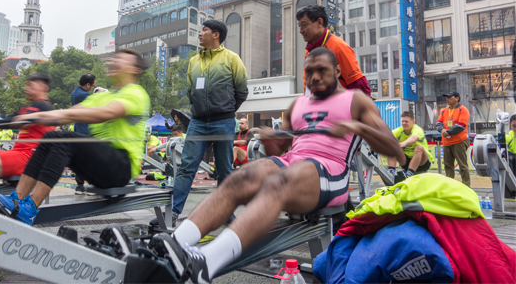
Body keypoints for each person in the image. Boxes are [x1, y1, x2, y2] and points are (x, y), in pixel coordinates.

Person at [123, 48, 405, 283]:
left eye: (322, 71)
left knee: (278, 182)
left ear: (338, 71)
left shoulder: (355, 100)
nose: (315, 77)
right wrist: (272, 138)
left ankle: (206, 263)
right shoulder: (298, 104)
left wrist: (357, 127)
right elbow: (278, 150)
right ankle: (176, 243)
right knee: (239, 179)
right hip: (294, 165)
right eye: (309, 72)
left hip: (331, 172)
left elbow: (395, 150)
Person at [0, 49, 150, 225]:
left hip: (121, 168)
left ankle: (31, 208)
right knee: (50, 137)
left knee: (64, 140)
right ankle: (16, 198)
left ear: (135, 70)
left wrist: (44, 116)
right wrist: (33, 117)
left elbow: (107, 113)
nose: (114, 62)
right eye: (115, 59)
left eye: (121, 60)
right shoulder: (103, 97)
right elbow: (69, 113)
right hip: (102, 163)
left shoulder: (136, 93)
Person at [150, 19, 248, 227]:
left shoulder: (232, 58)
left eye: (204, 30)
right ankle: (172, 213)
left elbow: (242, 90)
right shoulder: (194, 61)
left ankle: (226, 213)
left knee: (224, 170)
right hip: (198, 122)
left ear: (216, 35)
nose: (200, 33)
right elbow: (190, 90)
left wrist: (227, 110)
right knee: (186, 167)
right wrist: (200, 110)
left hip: (223, 122)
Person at [297, 5, 371, 97]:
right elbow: (307, 89)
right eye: (299, 26)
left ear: (320, 22)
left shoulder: (338, 46)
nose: (300, 31)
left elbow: (358, 85)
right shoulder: (308, 52)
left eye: (304, 25)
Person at [436, 91, 471, 187]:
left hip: (459, 141)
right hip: (446, 142)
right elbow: (438, 123)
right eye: (446, 97)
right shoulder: (444, 110)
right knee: (448, 166)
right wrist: (442, 130)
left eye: (449, 97)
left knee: (462, 166)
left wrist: (447, 132)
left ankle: (466, 187)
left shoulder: (463, 110)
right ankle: (449, 187)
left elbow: (461, 125)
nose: (447, 99)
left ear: (457, 98)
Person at [388, 111, 433, 183]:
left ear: (413, 122)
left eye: (406, 121)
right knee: (392, 146)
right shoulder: (400, 130)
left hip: (422, 163)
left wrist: (403, 144)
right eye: (402, 121)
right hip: (406, 162)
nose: (404, 123)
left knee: (419, 147)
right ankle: (391, 173)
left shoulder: (418, 129)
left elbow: (413, 138)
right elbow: (388, 136)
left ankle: (409, 174)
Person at [71, 73, 97, 194]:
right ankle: (91, 185)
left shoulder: (74, 93)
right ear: (87, 85)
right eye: (93, 86)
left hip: (78, 128)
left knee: (80, 159)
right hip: (85, 130)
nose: (92, 88)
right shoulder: (84, 95)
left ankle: (80, 185)